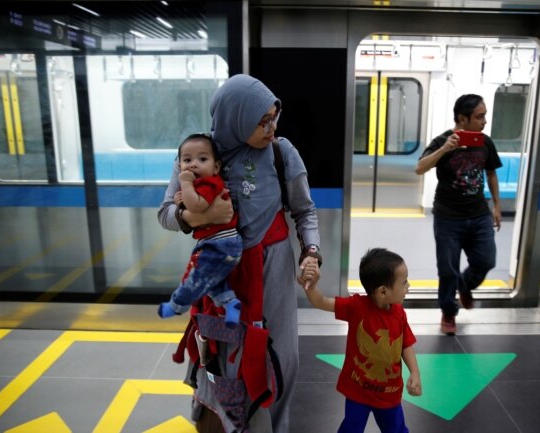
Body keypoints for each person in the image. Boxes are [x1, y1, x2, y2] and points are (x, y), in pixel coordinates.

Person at [157, 74, 321, 433]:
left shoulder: (281, 152)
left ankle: (274, 426)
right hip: (221, 271)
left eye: (274, 117)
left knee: (281, 357)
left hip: (272, 266)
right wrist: (194, 216)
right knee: (224, 358)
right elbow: (166, 214)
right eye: (262, 121)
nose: (272, 128)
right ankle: (233, 424)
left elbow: (304, 210)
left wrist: (311, 252)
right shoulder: (196, 153)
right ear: (236, 118)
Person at [299, 248, 422, 433]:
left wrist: (415, 372)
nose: (408, 286)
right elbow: (322, 302)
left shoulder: (399, 314)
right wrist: (310, 287)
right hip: (358, 392)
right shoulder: (356, 307)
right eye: (404, 282)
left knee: (396, 429)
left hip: (389, 394)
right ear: (382, 291)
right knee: (351, 429)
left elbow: (405, 344)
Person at [415, 94, 502, 335]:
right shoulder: (442, 141)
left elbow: (491, 174)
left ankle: (464, 285)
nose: (484, 121)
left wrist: (496, 205)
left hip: (479, 214)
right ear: (462, 119)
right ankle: (448, 312)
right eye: (479, 116)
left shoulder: (485, 142)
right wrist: (445, 149)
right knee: (447, 269)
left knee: (487, 260)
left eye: (484, 115)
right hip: (448, 218)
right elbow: (419, 168)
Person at [157, 133, 243, 328]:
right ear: (179, 164)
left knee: (196, 278)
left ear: (216, 167)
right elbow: (175, 211)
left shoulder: (209, 183)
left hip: (220, 244)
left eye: (202, 159)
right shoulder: (199, 185)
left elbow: (196, 206)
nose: (193, 164)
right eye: (187, 160)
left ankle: (177, 305)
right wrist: (182, 200)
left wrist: (186, 184)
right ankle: (231, 303)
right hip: (223, 244)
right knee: (213, 281)